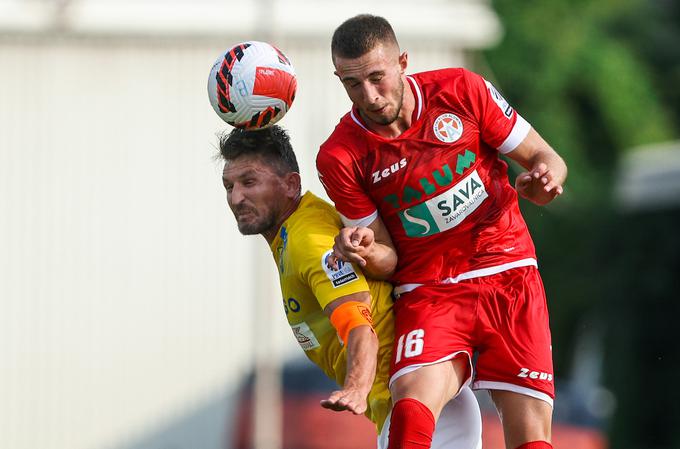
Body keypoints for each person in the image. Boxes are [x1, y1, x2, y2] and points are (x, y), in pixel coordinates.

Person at [316, 14, 568, 449]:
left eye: (378, 78)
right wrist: (362, 249)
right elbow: (388, 258)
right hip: (429, 289)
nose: (370, 97)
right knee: (411, 407)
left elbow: (547, 158)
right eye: (353, 84)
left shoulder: (461, 89)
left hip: (507, 271)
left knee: (531, 439)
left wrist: (544, 183)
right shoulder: (339, 155)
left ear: (403, 63)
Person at [219, 126, 483, 449]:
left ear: (291, 185)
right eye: (228, 186)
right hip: (419, 404)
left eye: (249, 182)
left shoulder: (308, 240)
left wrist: (357, 387)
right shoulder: (293, 233)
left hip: (415, 404)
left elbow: (360, 326)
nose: (236, 197)